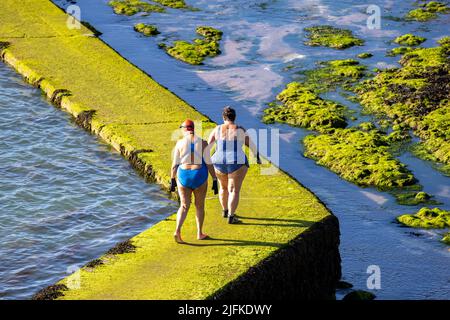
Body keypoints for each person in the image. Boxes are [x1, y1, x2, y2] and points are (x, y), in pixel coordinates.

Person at [208, 106, 261, 224]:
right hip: (236, 162)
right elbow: (251, 145)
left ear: (223, 117)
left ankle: (225, 210)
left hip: (218, 161)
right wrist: (257, 157)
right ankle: (231, 217)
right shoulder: (240, 130)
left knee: (223, 187)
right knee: (234, 190)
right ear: (234, 117)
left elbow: (208, 147)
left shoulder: (217, 129)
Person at [170, 119, 218, 244]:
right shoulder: (203, 143)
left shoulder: (179, 143)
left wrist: (172, 180)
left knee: (184, 206)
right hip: (199, 175)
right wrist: (214, 179)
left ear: (184, 129)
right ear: (193, 129)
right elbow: (209, 163)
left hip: (183, 175)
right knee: (199, 205)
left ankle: (177, 231)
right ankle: (199, 233)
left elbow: (175, 165)